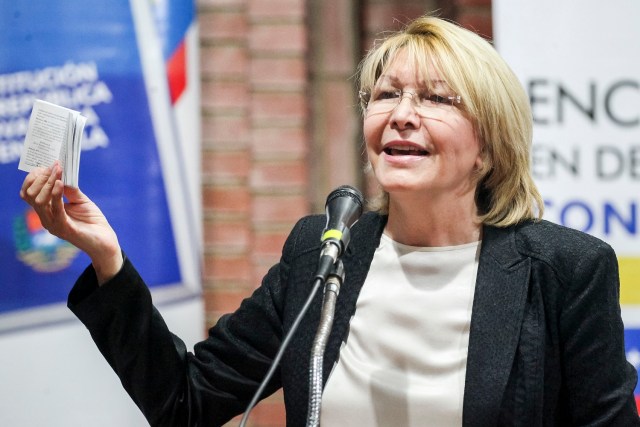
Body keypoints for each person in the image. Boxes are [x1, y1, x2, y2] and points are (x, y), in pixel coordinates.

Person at [20, 15, 639, 427]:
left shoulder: (564, 269)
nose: (400, 114)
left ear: (489, 144)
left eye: (434, 99)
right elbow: (187, 400)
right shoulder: (323, 250)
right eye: (386, 95)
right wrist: (108, 262)